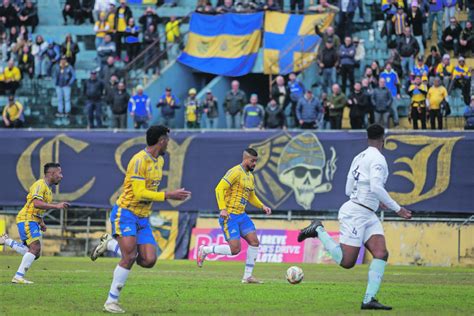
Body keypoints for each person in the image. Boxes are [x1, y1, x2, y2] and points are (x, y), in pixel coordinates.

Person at [297, 124, 412, 311]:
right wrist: (397, 208)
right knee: (347, 262)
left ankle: (369, 299)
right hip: (356, 213)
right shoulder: (378, 159)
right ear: (383, 139)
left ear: (368, 138)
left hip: (367, 212)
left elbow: (348, 189)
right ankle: (318, 230)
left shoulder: (358, 157)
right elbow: (375, 187)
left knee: (381, 253)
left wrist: (375, 199)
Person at [89, 126, 191, 313]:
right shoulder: (138, 161)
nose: (169, 143)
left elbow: (148, 192)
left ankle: (110, 244)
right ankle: (111, 301)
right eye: (167, 139)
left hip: (143, 217)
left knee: (149, 260)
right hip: (125, 213)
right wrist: (168, 195)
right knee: (129, 256)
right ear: (161, 141)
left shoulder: (159, 161)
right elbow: (139, 192)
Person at [197, 148, 272, 283]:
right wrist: (222, 209)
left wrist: (262, 206)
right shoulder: (235, 172)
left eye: (256, 161)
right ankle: (205, 250)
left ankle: (247, 276)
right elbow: (219, 188)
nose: (255, 163)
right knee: (235, 249)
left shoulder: (250, 176)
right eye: (252, 161)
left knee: (254, 242)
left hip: (242, 215)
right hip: (229, 215)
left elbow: (251, 197)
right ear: (245, 159)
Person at [0, 163, 70, 284]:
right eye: (59, 173)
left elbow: (38, 209)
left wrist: (41, 221)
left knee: (34, 253)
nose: (61, 176)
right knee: (35, 247)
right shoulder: (39, 184)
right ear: (51, 173)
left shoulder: (48, 190)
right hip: (27, 218)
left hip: (33, 219)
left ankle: (6, 240)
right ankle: (18, 276)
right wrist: (57, 206)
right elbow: (36, 203)